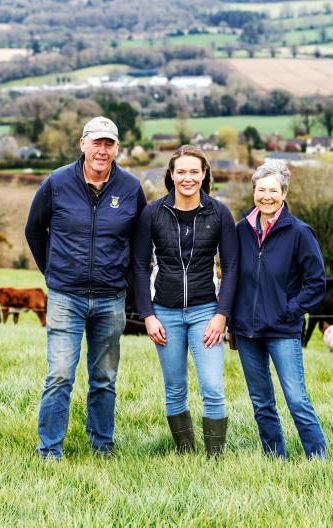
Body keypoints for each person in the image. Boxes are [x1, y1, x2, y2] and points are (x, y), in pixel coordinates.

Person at [25, 116, 147, 460]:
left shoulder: (130, 188)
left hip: (111, 298)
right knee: (60, 374)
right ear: (83, 144)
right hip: (66, 297)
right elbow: (34, 230)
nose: (102, 150)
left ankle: (102, 445)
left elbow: (140, 243)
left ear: (117, 148)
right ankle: (50, 449)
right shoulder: (57, 183)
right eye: (96, 143)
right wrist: (52, 272)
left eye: (109, 144)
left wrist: (128, 284)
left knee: (104, 377)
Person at [134, 144, 238, 457]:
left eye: (194, 171)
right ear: (172, 174)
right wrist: (148, 315)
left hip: (206, 312)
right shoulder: (153, 213)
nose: (187, 178)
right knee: (175, 388)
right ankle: (185, 453)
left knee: (213, 387)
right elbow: (139, 265)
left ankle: (215, 458)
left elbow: (231, 267)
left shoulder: (219, 213)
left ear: (204, 174)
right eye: (181, 172)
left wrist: (221, 315)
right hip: (164, 313)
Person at [229, 160, 328, 459]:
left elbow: (316, 283)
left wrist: (289, 311)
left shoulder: (300, 232)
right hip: (246, 331)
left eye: (273, 190)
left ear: (284, 193)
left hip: (282, 329)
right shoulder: (241, 230)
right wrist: (232, 322)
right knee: (261, 402)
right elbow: (232, 277)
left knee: (296, 400)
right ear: (254, 193)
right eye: (261, 190)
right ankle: (275, 458)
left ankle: (319, 460)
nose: (267, 197)